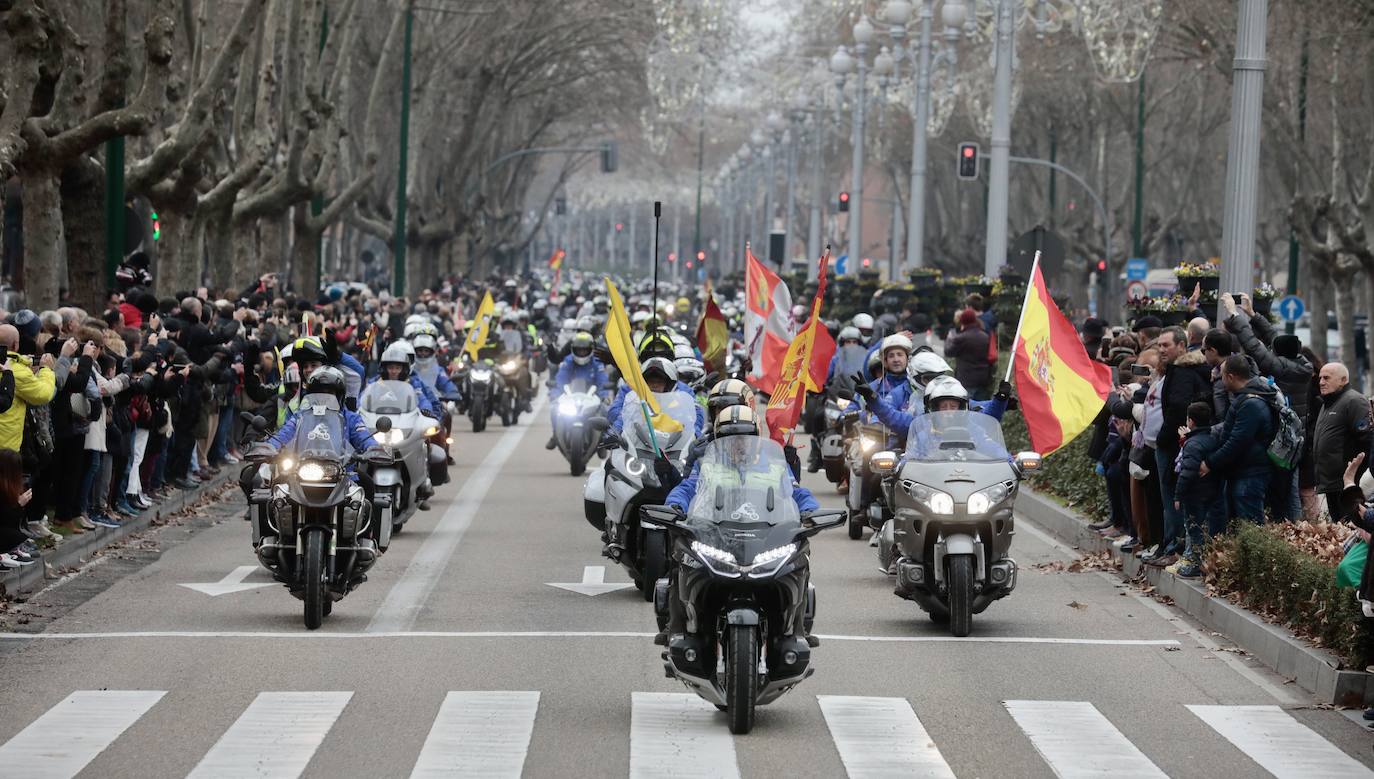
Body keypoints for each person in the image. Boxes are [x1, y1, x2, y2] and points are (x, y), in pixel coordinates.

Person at [660, 405, 820, 645]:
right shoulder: (707, 465)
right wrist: (674, 506)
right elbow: (686, 489)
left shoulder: (776, 466)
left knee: (799, 557)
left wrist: (810, 511)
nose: (738, 444)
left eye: (745, 438)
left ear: (756, 439)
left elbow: (797, 492)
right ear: (718, 439)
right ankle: (676, 629)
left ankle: (796, 630)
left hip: (764, 535)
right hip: (715, 534)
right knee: (680, 556)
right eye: (729, 438)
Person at [1150, 326, 1211, 566]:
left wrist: (1163, 439)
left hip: (1176, 444)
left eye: (1167, 345)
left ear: (1182, 346)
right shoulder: (1185, 369)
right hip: (1182, 442)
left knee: (1172, 499)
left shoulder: (1184, 372)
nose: (1162, 350)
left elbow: (1177, 410)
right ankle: (1171, 545)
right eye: (1160, 345)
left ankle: (1174, 547)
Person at [1201, 355, 1277, 523]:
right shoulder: (1249, 398)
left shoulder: (1250, 404)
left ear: (1230, 377)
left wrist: (1210, 463)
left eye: (1222, 376)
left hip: (1250, 473)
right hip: (1245, 471)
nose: (1220, 380)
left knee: (1251, 526)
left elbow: (1237, 442)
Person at [1312, 362, 1372, 519]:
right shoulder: (1327, 403)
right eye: (1320, 378)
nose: (1321, 382)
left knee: (1349, 527)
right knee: (1338, 527)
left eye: (1326, 378)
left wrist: (1353, 476)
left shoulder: (1354, 401)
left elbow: (1366, 440)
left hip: (1346, 483)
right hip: (1331, 482)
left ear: (1343, 379)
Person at [1171, 402, 1222, 578]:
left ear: (1190, 421)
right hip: (1212, 491)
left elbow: (1187, 472)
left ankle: (1196, 565)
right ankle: (1207, 562)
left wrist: (1178, 495)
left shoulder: (1192, 444)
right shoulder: (1214, 439)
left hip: (1195, 494)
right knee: (1207, 528)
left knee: (1194, 529)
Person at [545, 332, 610, 450]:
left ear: (591, 349)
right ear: (573, 349)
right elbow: (560, 379)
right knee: (554, 408)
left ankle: (604, 438)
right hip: (571, 397)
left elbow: (602, 381)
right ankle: (555, 434)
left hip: (592, 398)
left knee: (606, 409)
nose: (581, 353)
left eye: (584, 350)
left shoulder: (597, 362)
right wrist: (556, 394)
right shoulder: (568, 361)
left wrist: (604, 396)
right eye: (579, 350)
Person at [370, 342, 440, 417]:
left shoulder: (412, 382)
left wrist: (426, 409)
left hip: (405, 421)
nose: (394, 371)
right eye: (390, 367)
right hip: (378, 420)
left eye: (397, 368)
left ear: (404, 369)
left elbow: (422, 399)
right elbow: (363, 399)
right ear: (384, 368)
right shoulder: (375, 383)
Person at [944, 308, 993, 400]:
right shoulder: (984, 336)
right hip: (983, 379)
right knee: (981, 409)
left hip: (967, 380)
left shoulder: (961, 338)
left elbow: (948, 352)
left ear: (962, 321)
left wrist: (949, 338)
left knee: (968, 410)